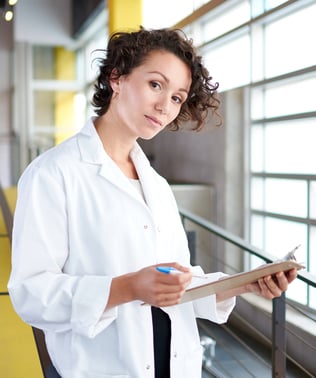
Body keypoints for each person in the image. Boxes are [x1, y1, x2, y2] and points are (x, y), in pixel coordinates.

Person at [8, 27, 297, 378]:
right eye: (155, 85)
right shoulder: (53, 174)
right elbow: (31, 293)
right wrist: (128, 287)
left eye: (177, 97)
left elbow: (174, 281)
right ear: (117, 77)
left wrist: (244, 283)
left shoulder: (156, 185)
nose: (164, 106)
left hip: (173, 363)